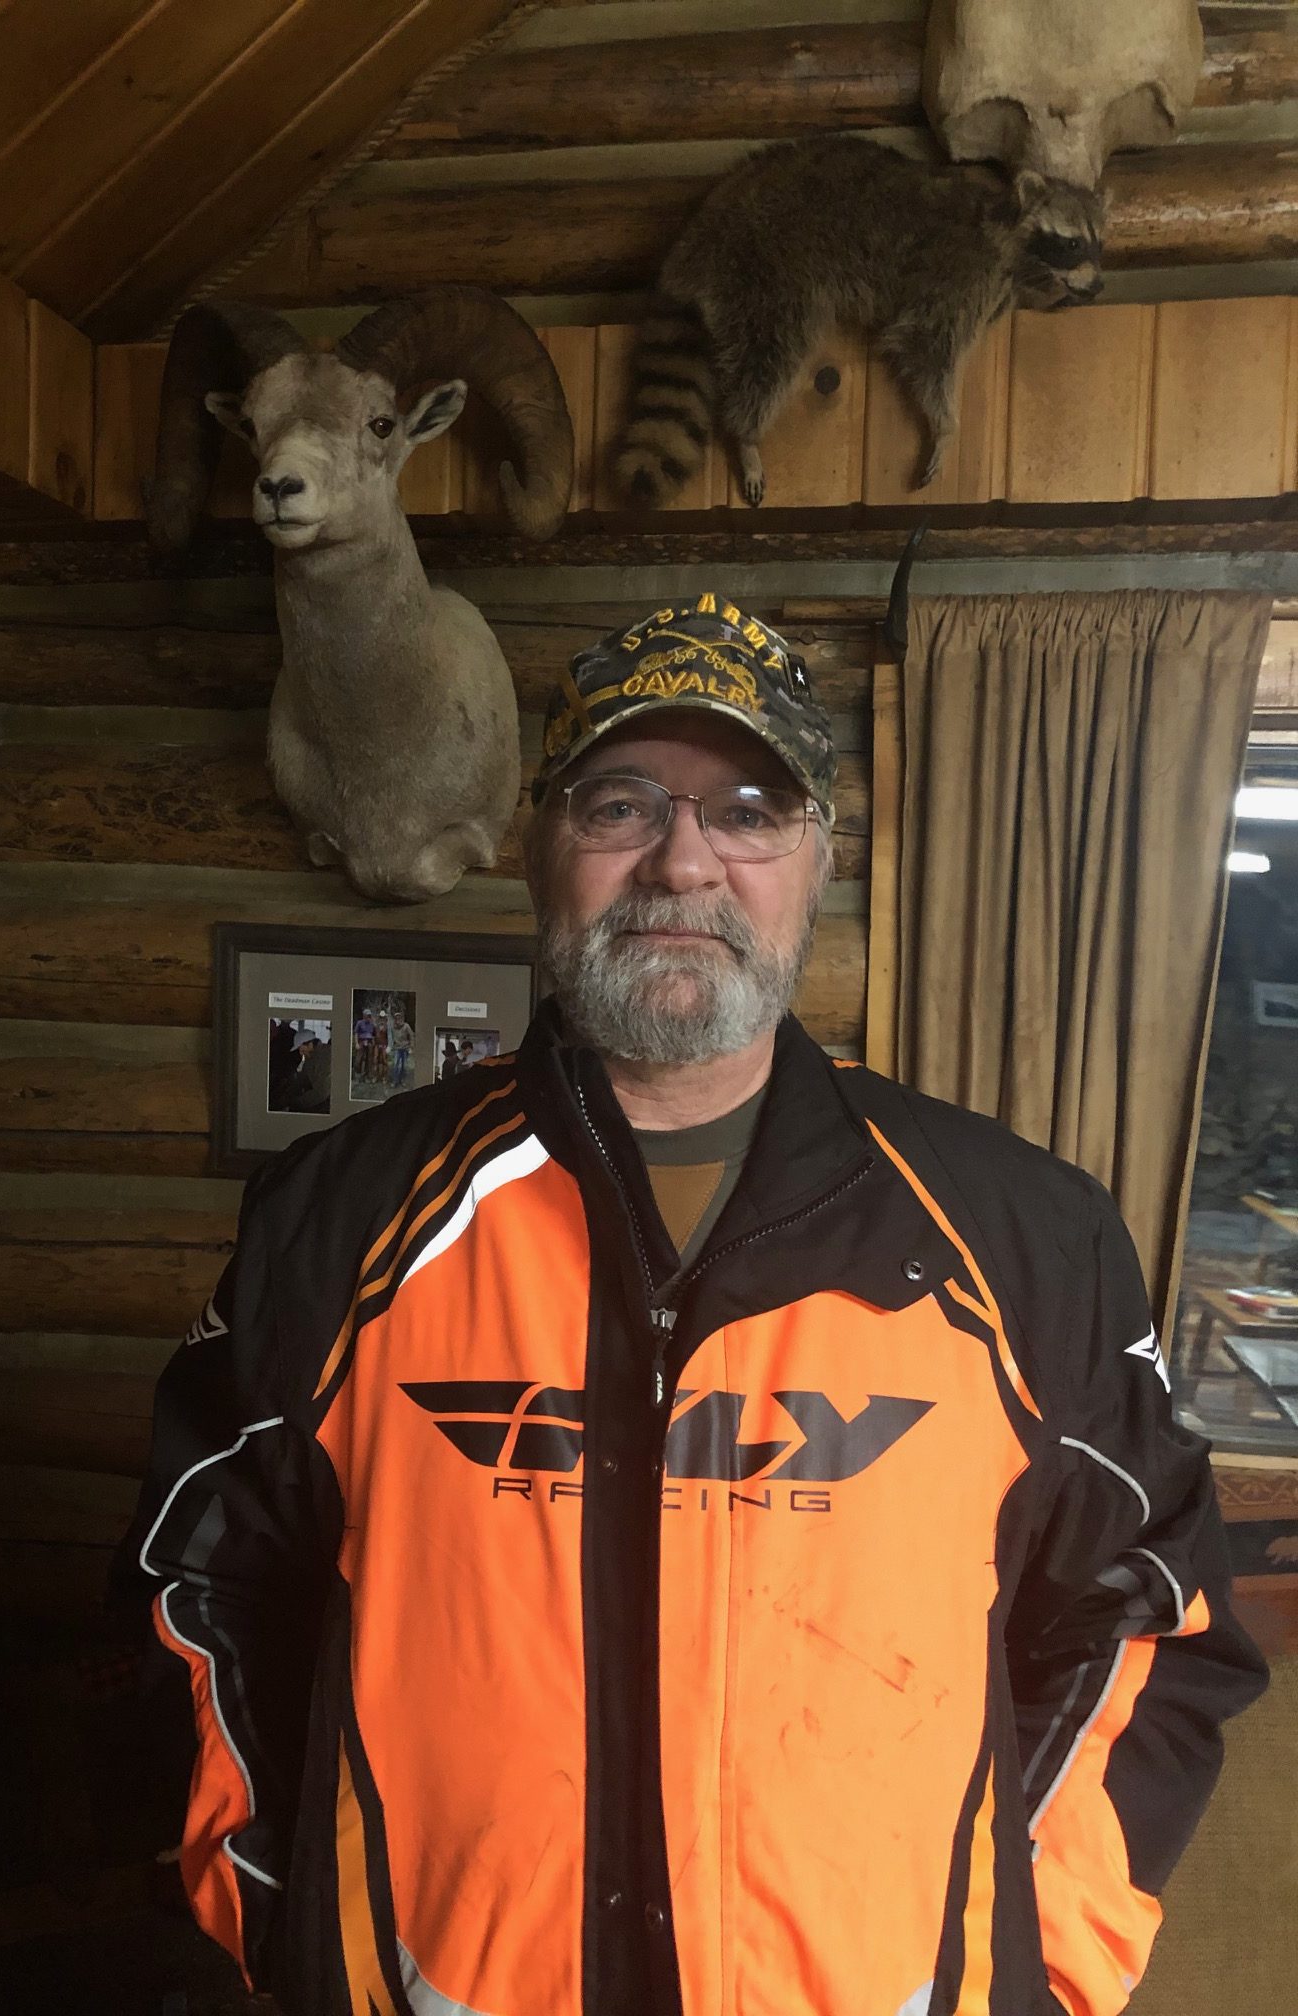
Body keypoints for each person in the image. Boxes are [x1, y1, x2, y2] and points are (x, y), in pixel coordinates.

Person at [121, 597, 1266, 2016]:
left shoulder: (1026, 1238)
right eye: (620, 805)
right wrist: (284, 1920)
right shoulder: (339, 1218)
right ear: (540, 849)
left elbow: (1147, 1621)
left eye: (748, 811)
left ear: (817, 862)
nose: (682, 861)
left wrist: (1031, 1964)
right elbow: (199, 1589)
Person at [390, 1010, 415, 1090]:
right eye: (396, 1018)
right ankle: (395, 1081)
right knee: (396, 1065)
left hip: (405, 1048)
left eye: (399, 1017)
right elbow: (390, 1037)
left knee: (404, 1066)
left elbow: (411, 1035)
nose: (398, 1019)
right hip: (397, 1048)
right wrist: (390, 1046)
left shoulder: (406, 1026)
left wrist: (411, 1047)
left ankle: (402, 1080)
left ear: (401, 1018)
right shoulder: (393, 1027)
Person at [352, 1006, 376, 1083]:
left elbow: (374, 1034)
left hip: (369, 1042)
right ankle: (357, 1074)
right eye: (367, 1015)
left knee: (369, 1060)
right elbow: (356, 1033)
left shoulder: (372, 1024)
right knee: (358, 1059)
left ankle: (366, 1076)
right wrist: (356, 1043)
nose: (368, 1017)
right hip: (361, 1041)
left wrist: (373, 1042)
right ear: (364, 1015)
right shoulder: (359, 1023)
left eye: (369, 1015)